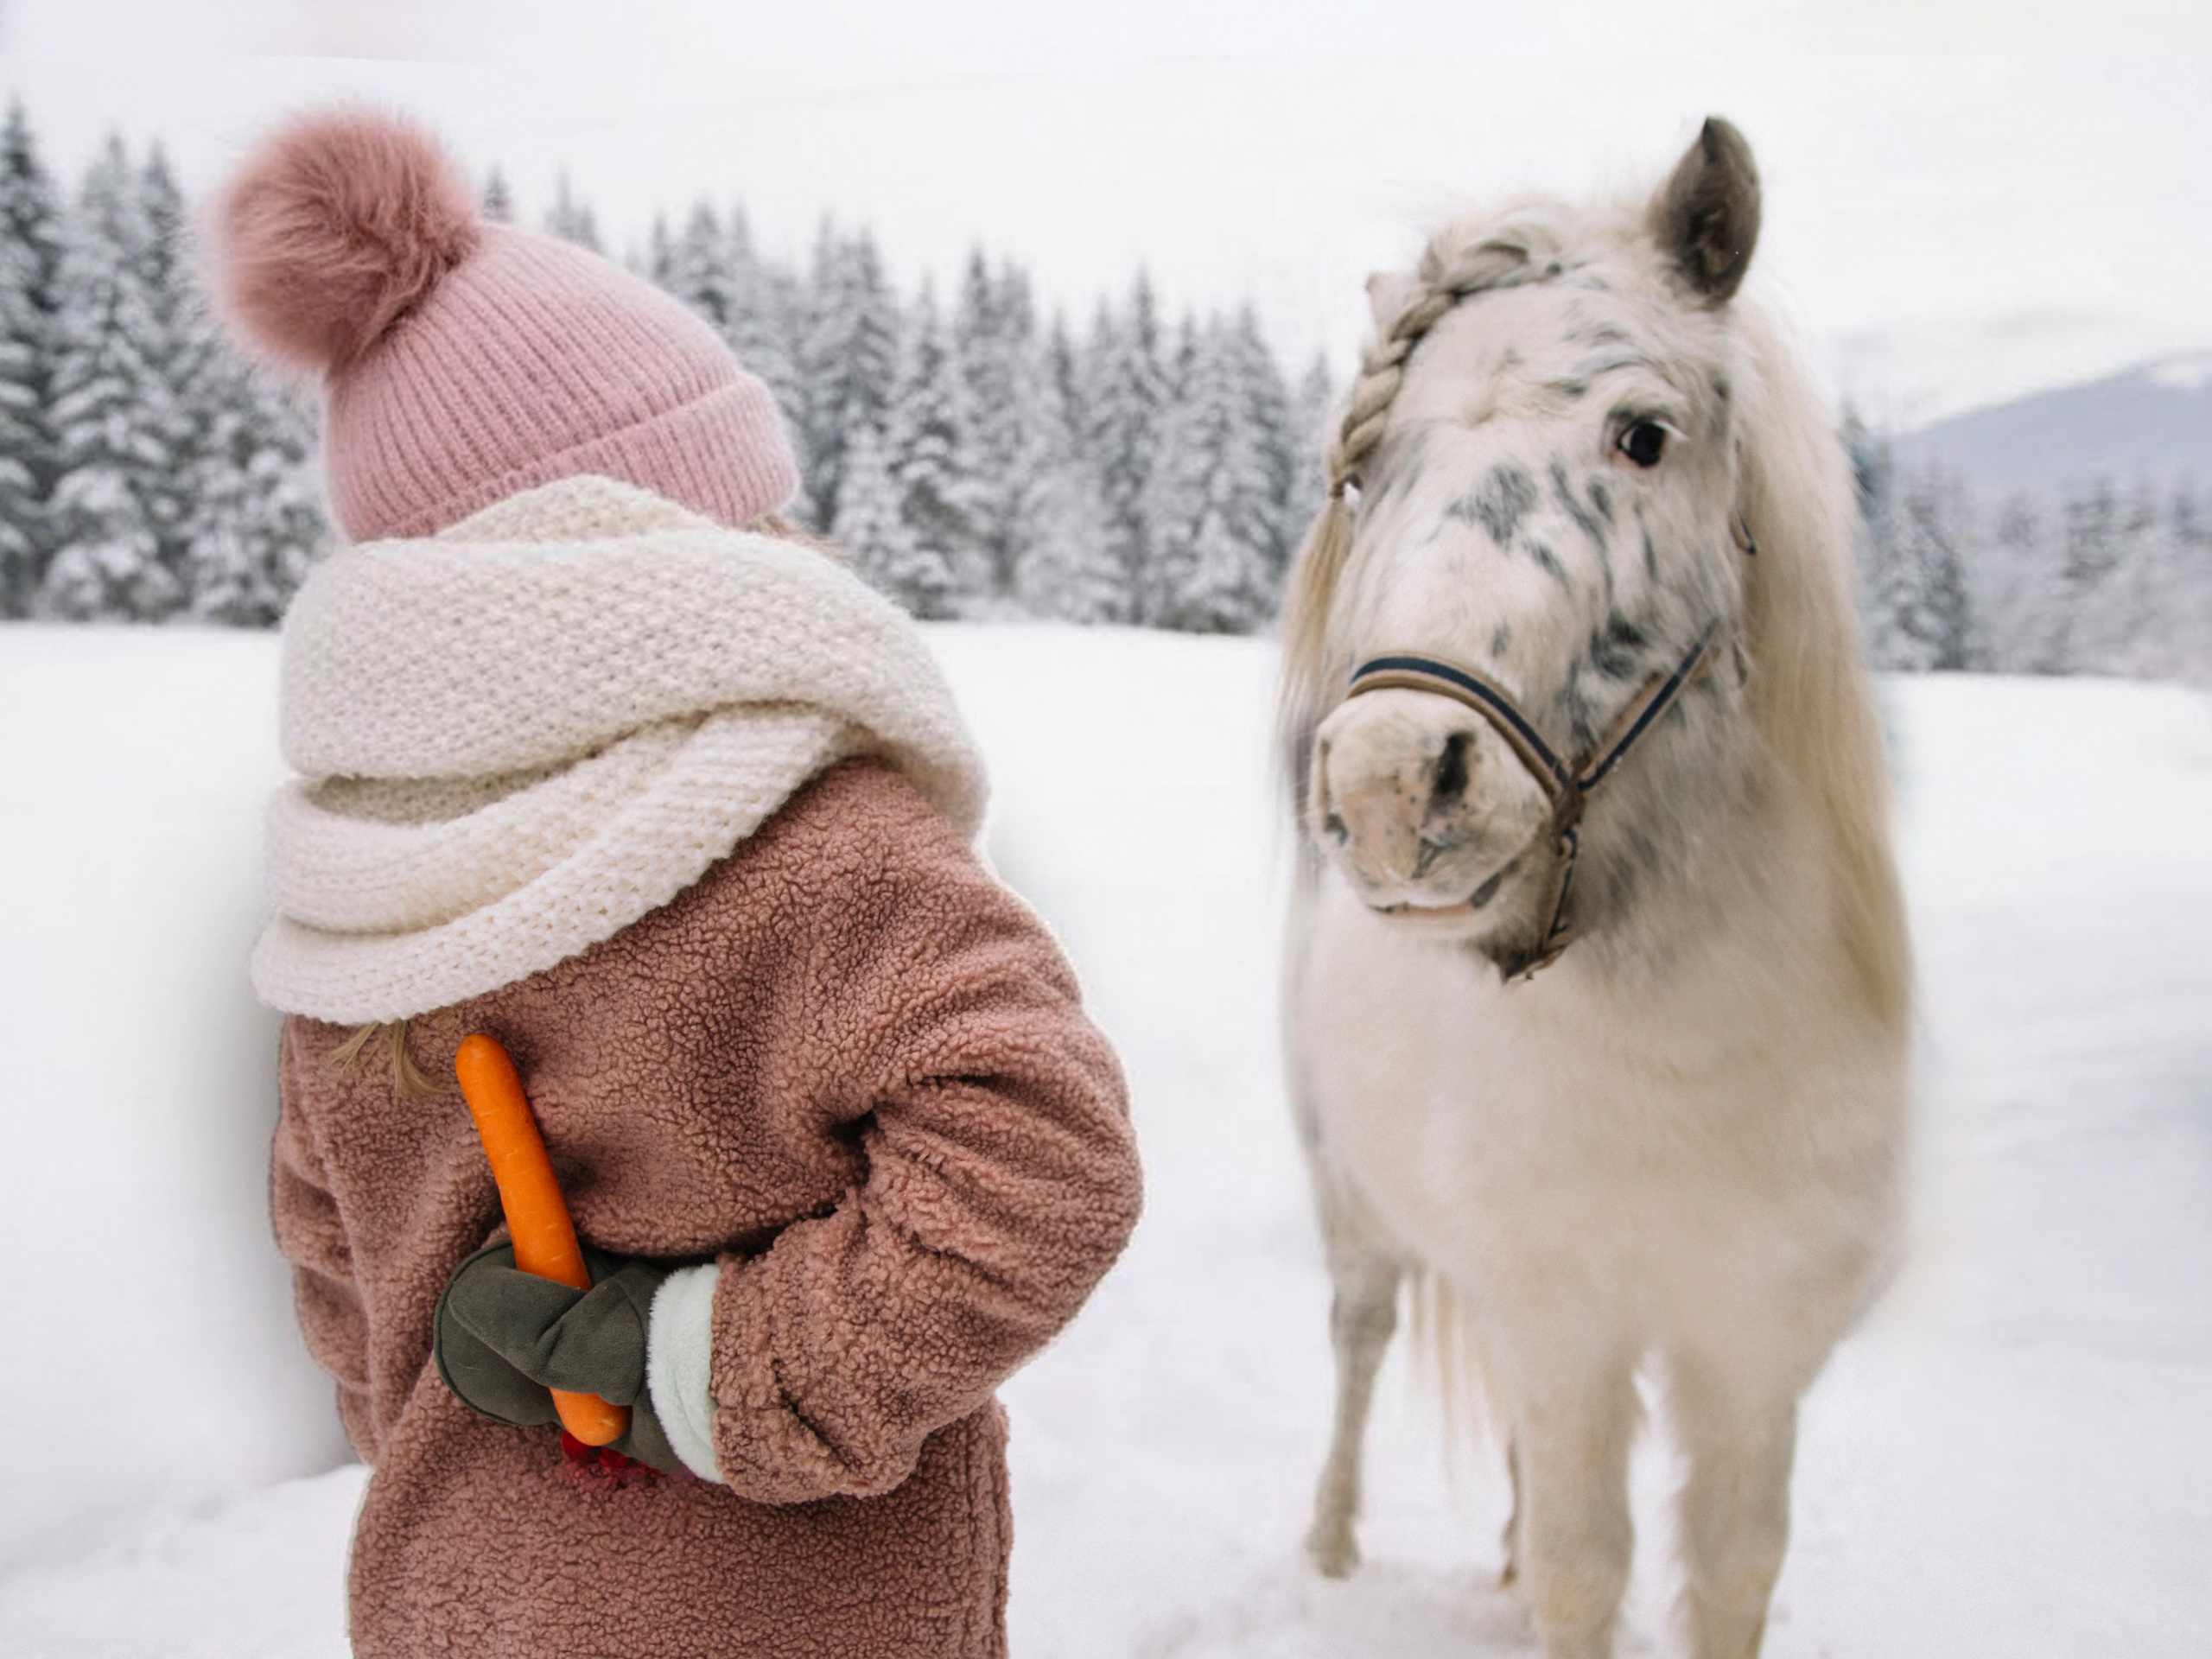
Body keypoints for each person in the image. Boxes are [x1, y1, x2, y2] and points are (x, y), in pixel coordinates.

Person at [215, 108, 1142, 1659]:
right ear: (685, 540)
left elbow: (337, 1283)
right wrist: (726, 1376)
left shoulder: (355, 899)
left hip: (454, 1603)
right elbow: (1042, 1161)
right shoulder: (815, 846)